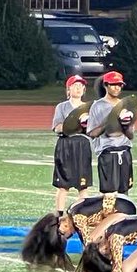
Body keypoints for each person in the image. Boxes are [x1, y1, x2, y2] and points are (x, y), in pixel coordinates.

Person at [86, 70, 135, 194]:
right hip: (108, 153)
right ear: (105, 85)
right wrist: (110, 121)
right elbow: (92, 133)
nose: (117, 88)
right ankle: (108, 214)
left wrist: (126, 125)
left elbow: (131, 135)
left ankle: (124, 214)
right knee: (109, 194)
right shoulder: (98, 106)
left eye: (119, 85)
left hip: (125, 152)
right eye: (113, 84)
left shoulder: (125, 105)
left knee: (124, 192)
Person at [50, 74, 93, 213]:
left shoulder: (89, 107)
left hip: (82, 144)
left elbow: (93, 131)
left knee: (83, 185)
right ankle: (59, 214)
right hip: (66, 144)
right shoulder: (62, 107)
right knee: (63, 185)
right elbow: (57, 128)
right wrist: (73, 124)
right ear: (68, 90)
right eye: (75, 86)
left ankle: (81, 215)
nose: (78, 88)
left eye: (81, 86)